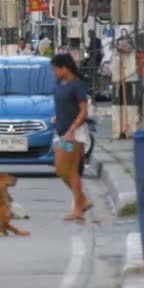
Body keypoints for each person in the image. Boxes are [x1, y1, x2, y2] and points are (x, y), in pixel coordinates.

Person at [51, 54, 92, 222]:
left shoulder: (76, 85)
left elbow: (83, 111)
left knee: (72, 171)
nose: (54, 72)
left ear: (64, 67)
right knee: (61, 170)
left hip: (74, 135)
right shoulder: (60, 84)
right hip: (61, 133)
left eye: (55, 69)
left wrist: (72, 129)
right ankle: (82, 200)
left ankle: (78, 208)